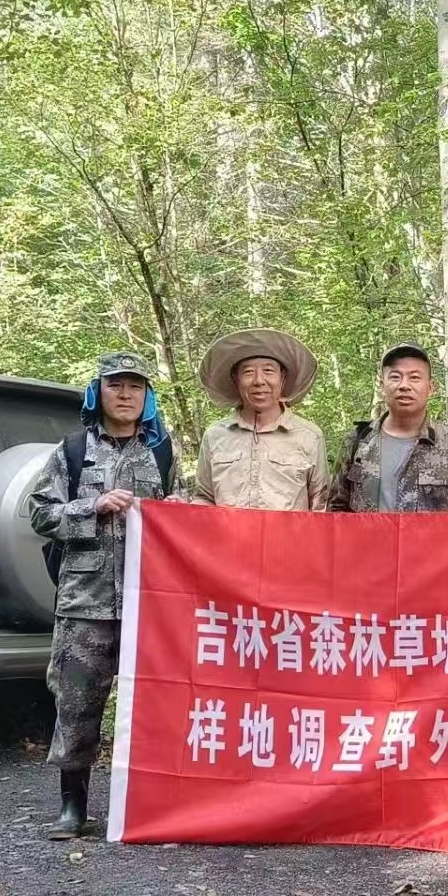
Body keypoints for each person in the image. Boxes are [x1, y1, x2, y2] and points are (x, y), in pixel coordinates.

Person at [28, 352, 176, 839]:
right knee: (76, 704)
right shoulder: (72, 450)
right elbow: (40, 514)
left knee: (154, 708)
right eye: (116, 385)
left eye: (136, 386)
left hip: (148, 603)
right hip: (85, 603)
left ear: (147, 396)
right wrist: (93, 505)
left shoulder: (162, 453)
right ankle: (73, 806)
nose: (126, 394)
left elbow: (184, 515)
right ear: (98, 392)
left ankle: (149, 805)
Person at [330, 343, 448, 513]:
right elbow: (335, 512)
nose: (404, 385)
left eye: (414, 377)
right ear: (382, 386)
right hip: (368, 532)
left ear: (431, 388)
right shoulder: (358, 441)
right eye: (395, 377)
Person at [193, 328, 329, 511]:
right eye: (248, 372)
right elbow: (204, 498)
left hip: (291, 531)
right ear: (235, 380)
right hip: (228, 531)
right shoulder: (215, 436)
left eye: (268, 371)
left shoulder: (309, 436)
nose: (259, 381)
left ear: (282, 379)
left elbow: (321, 506)